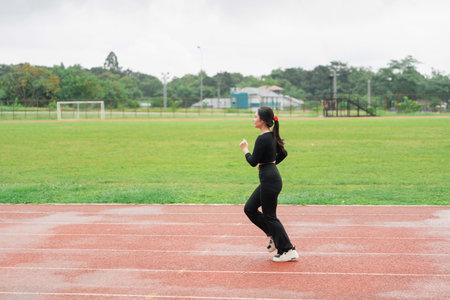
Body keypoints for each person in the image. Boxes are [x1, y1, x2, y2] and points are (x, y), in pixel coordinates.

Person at [239, 106, 298, 262]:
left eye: (255, 117)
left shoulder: (263, 138)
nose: (253, 119)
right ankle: (273, 236)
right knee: (250, 208)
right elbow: (283, 154)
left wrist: (245, 149)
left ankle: (288, 249)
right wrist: (270, 163)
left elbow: (252, 162)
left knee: (270, 216)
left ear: (263, 121)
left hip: (269, 180)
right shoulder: (270, 136)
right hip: (270, 178)